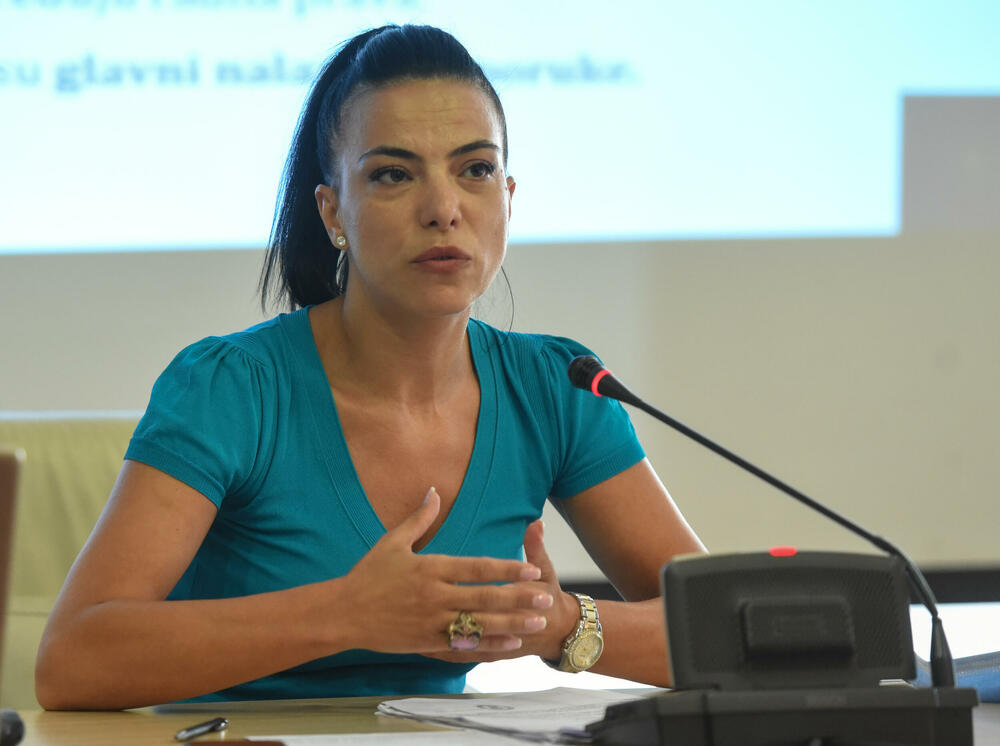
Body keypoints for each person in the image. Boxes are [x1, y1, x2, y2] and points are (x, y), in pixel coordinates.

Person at [34, 24, 705, 711]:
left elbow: (724, 635)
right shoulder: (231, 386)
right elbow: (72, 661)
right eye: (393, 174)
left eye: (475, 170)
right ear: (334, 213)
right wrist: (347, 613)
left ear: (508, 197)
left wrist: (559, 625)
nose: (443, 210)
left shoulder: (556, 388)